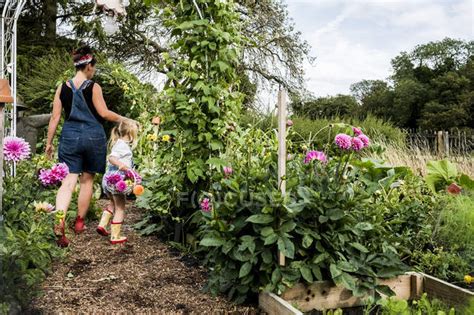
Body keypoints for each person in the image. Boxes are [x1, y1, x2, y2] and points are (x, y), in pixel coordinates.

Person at [46, 45, 128, 247]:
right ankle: (80, 222)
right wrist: (125, 119)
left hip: (70, 137)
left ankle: (59, 222)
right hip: (93, 137)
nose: (94, 70)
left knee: (67, 182)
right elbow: (104, 114)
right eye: (94, 66)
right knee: (87, 180)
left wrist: (48, 143)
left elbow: (55, 118)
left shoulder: (62, 88)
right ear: (89, 66)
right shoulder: (94, 87)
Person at [97, 119, 138, 244]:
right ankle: (115, 236)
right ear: (131, 134)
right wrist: (122, 166)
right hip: (117, 181)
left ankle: (102, 225)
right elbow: (112, 158)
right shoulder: (122, 145)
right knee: (120, 207)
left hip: (109, 180)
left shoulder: (118, 143)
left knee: (113, 203)